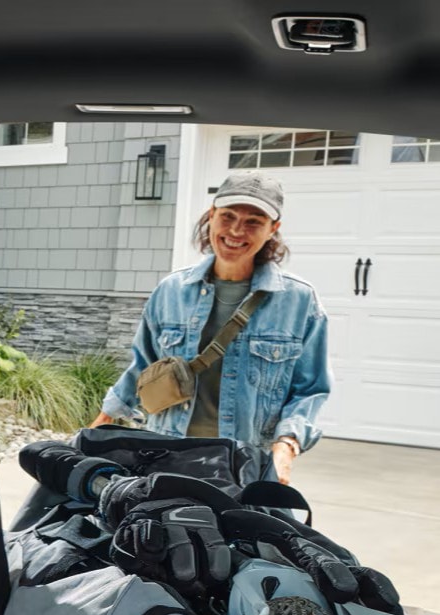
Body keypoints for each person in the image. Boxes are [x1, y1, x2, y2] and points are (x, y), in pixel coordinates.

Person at [90, 172, 330, 484]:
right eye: (227, 216)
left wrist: (287, 444)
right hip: (167, 455)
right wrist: (102, 422)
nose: (236, 230)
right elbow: (143, 365)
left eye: (253, 222)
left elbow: (310, 389)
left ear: (273, 229)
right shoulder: (171, 291)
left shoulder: (299, 300)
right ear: (212, 216)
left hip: (246, 466)